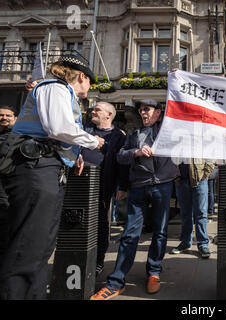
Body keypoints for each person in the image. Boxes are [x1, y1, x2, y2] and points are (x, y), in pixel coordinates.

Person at [0, 54, 105, 300]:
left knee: (40, 247)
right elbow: (58, 128)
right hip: (35, 171)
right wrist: (93, 141)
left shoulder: (61, 93)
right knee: (28, 246)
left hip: (46, 169)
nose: (90, 88)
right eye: (90, 82)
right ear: (82, 76)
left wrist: (74, 155)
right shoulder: (54, 87)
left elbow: (56, 135)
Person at [90, 99, 178, 300]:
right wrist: (135, 152)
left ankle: (154, 272)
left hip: (162, 186)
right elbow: (121, 156)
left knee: (160, 231)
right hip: (138, 187)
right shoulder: (133, 134)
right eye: (140, 110)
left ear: (158, 113)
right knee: (130, 234)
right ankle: (116, 282)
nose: (142, 113)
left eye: (147, 109)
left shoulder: (168, 131)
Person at [75, 101, 129, 276]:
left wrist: (122, 186)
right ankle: (76, 259)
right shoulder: (84, 130)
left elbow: (122, 164)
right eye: (93, 108)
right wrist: (77, 156)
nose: (93, 111)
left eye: (97, 109)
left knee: (100, 225)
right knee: (76, 222)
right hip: (78, 185)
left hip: (103, 187)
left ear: (109, 115)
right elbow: (73, 147)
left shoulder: (118, 136)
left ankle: (98, 261)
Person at [171, 158, 215, 258]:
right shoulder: (177, 141)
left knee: (201, 213)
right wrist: (174, 174)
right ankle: (186, 242)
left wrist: (206, 173)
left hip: (199, 180)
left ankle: (203, 244)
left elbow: (210, 156)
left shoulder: (201, 141)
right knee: (185, 214)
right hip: (181, 180)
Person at [0, 105, 18, 261]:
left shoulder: (19, 137)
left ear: (15, 118)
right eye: (1, 115)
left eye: (8, 116)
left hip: (8, 189)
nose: (4, 118)